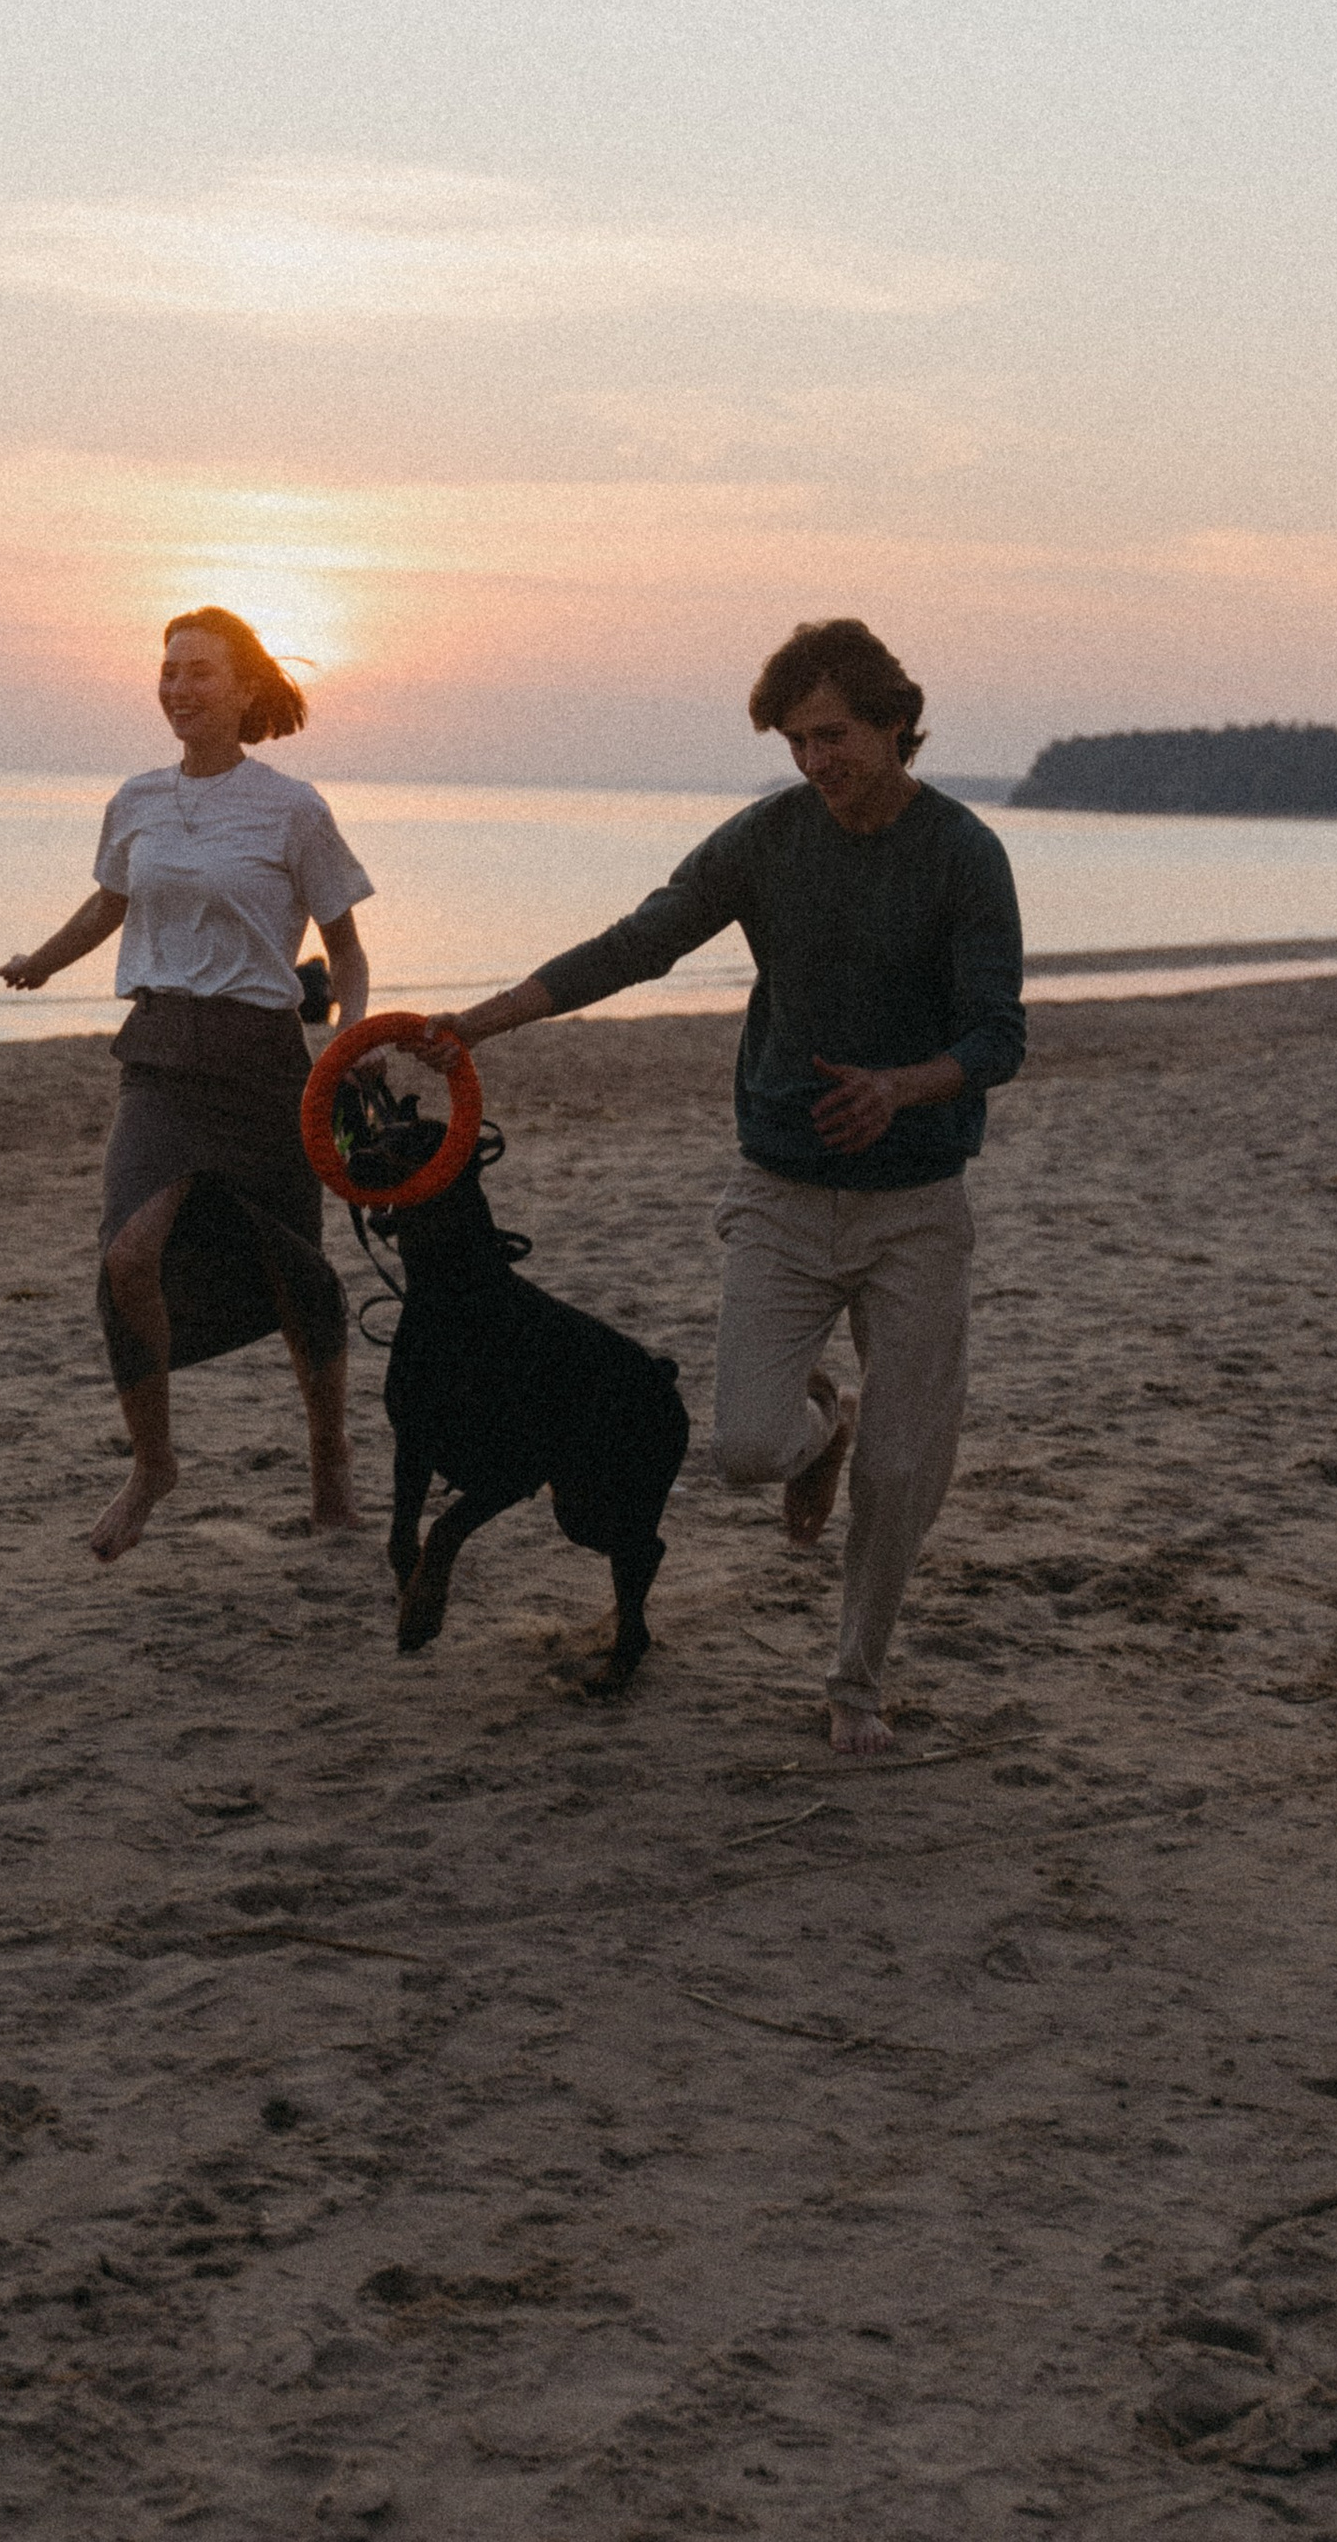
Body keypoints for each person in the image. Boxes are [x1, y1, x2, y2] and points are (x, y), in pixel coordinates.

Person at [414, 618, 1023, 1756]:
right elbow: (640, 943)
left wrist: (900, 1089)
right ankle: (817, 1421)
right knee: (747, 1451)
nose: (814, 761)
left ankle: (855, 1686)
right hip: (782, 1195)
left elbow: (999, 1036)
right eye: (796, 740)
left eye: (833, 735)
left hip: (914, 1206)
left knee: (902, 1475)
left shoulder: (962, 853)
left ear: (896, 723)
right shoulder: (765, 840)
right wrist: (479, 1024)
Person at [0, 606, 374, 1561]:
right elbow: (112, 900)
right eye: (168, 671)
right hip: (160, 1053)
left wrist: (347, 1046)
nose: (177, 688)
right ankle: (153, 1464)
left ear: (245, 689)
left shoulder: (293, 808)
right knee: (127, 1258)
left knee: (300, 1278)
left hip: (263, 1061)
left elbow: (346, 950)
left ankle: (330, 1459)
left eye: (199, 672)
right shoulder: (135, 799)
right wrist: (42, 960)